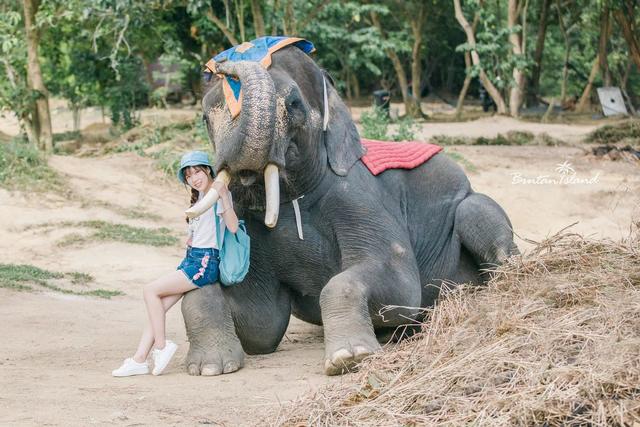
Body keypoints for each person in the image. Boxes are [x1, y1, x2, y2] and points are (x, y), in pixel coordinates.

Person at [112, 151, 239, 377]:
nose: (194, 178)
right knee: (157, 307)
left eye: (197, 171)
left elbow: (232, 227)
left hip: (204, 262)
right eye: (189, 175)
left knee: (150, 291)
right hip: (191, 259)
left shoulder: (215, 194)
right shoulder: (200, 198)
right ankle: (139, 359)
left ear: (207, 170)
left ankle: (161, 347)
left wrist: (225, 196)